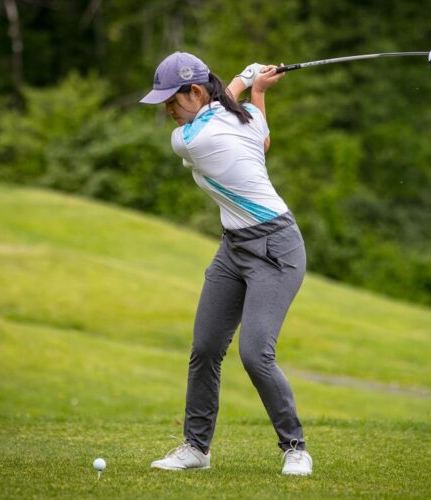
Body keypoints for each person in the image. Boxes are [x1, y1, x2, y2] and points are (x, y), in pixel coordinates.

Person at [140, 51, 312, 476]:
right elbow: (261, 135)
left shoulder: (194, 137)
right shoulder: (227, 120)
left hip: (276, 247)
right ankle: (197, 447)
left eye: (171, 102)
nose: (168, 114)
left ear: (196, 91)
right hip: (234, 248)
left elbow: (233, 124)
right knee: (205, 348)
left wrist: (242, 82)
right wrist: (255, 90)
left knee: (257, 355)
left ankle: (295, 448)